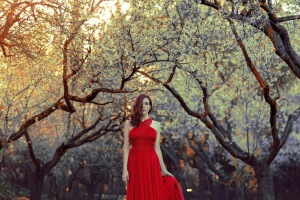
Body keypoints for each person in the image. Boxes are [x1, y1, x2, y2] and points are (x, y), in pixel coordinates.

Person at [122, 93, 184, 200]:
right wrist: (124, 170)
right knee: (138, 193)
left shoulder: (156, 125)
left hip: (151, 162)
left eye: (146, 104)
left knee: (154, 192)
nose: (143, 106)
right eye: (141, 104)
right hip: (135, 162)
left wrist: (164, 169)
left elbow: (157, 149)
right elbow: (126, 148)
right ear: (137, 106)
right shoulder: (129, 124)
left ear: (150, 106)